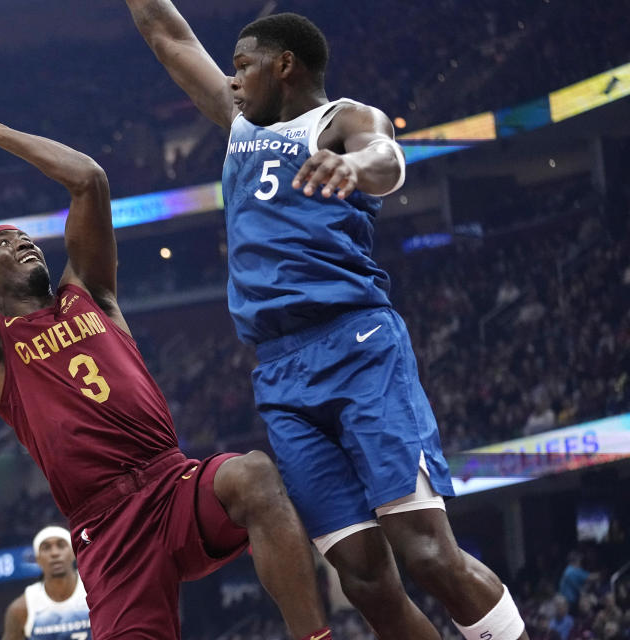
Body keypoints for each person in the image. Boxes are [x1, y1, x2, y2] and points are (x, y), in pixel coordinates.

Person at [122, 3, 528, 639]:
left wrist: (352, 166)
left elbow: (387, 159)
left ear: (283, 65)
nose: (230, 79)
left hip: (357, 345)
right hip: (281, 374)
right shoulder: (237, 125)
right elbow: (165, 32)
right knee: (362, 579)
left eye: (242, 65)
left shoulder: (340, 118)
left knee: (427, 553)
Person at [0, 80, 332, 640]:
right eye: (5, 243)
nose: (24, 243)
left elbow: (89, 180)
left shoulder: (90, 292)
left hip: (173, 482)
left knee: (255, 476)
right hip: (107, 527)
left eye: (27, 237)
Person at [2, 526, 92, 640]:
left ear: (73, 553)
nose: (54, 553)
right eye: (46, 548)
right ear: (37, 559)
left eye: (61, 545)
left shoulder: (94, 590)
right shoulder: (21, 608)